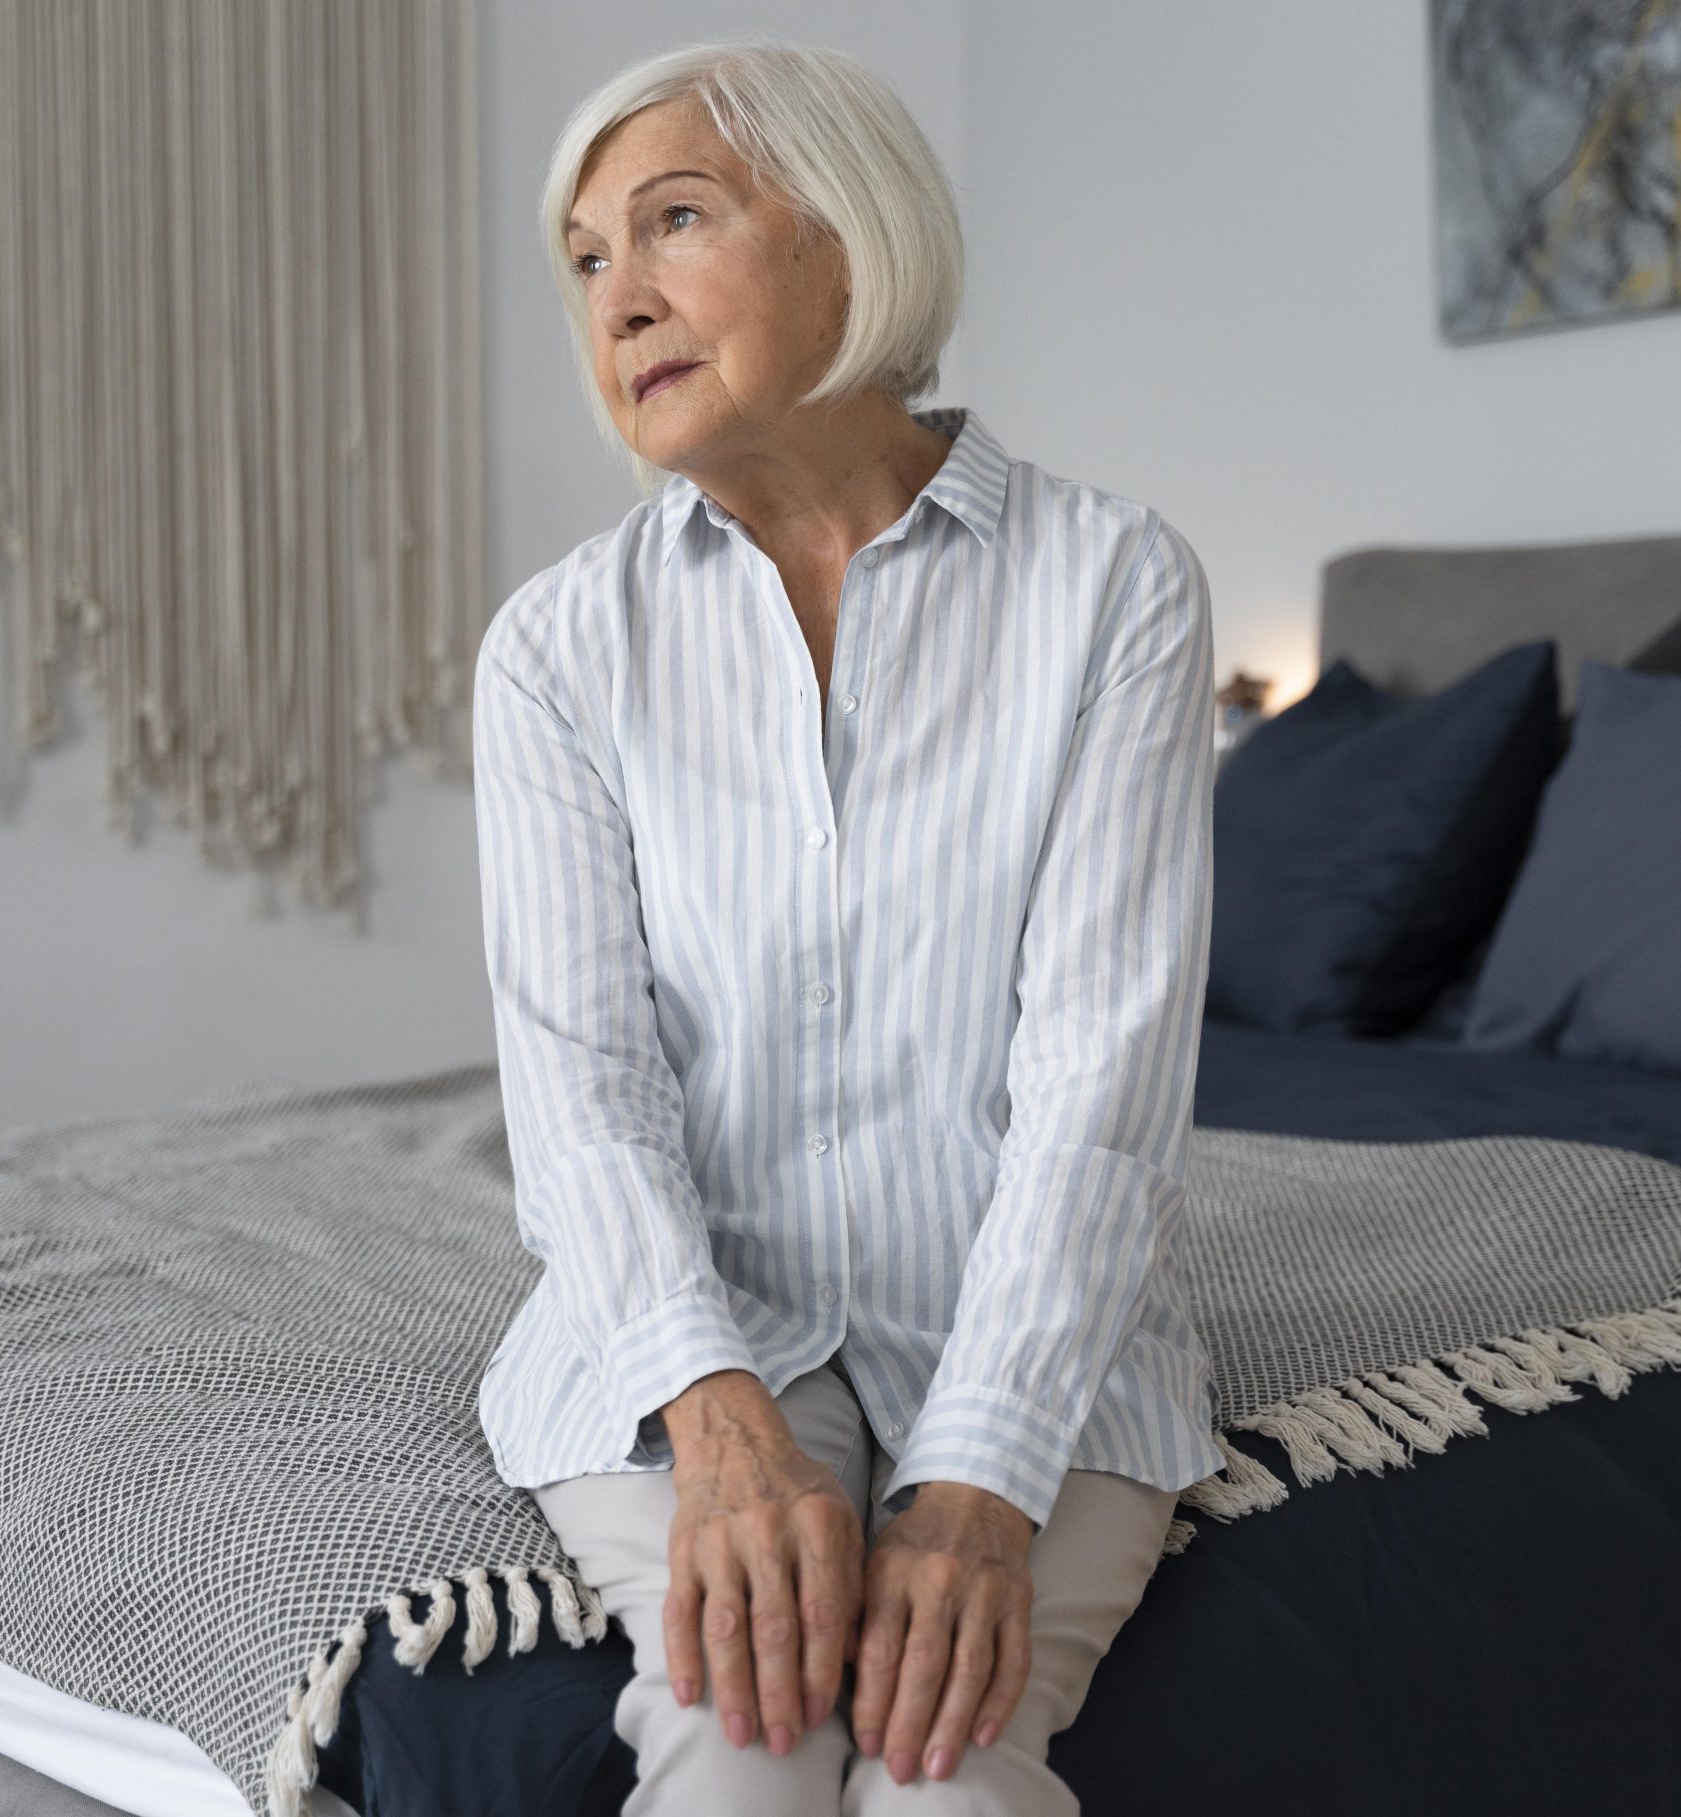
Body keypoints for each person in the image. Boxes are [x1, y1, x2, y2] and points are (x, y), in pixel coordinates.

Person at [471, 35, 1225, 1816]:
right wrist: (717, 1424)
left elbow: (1102, 1079)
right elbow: (580, 1087)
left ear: (847, 236)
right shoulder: (559, 650)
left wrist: (977, 1479)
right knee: (740, 1753)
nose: (619, 297)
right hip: (691, 1324)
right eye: (586, 259)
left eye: (675, 222)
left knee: (942, 1774)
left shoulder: (1115, 587)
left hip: (1033, 1331)